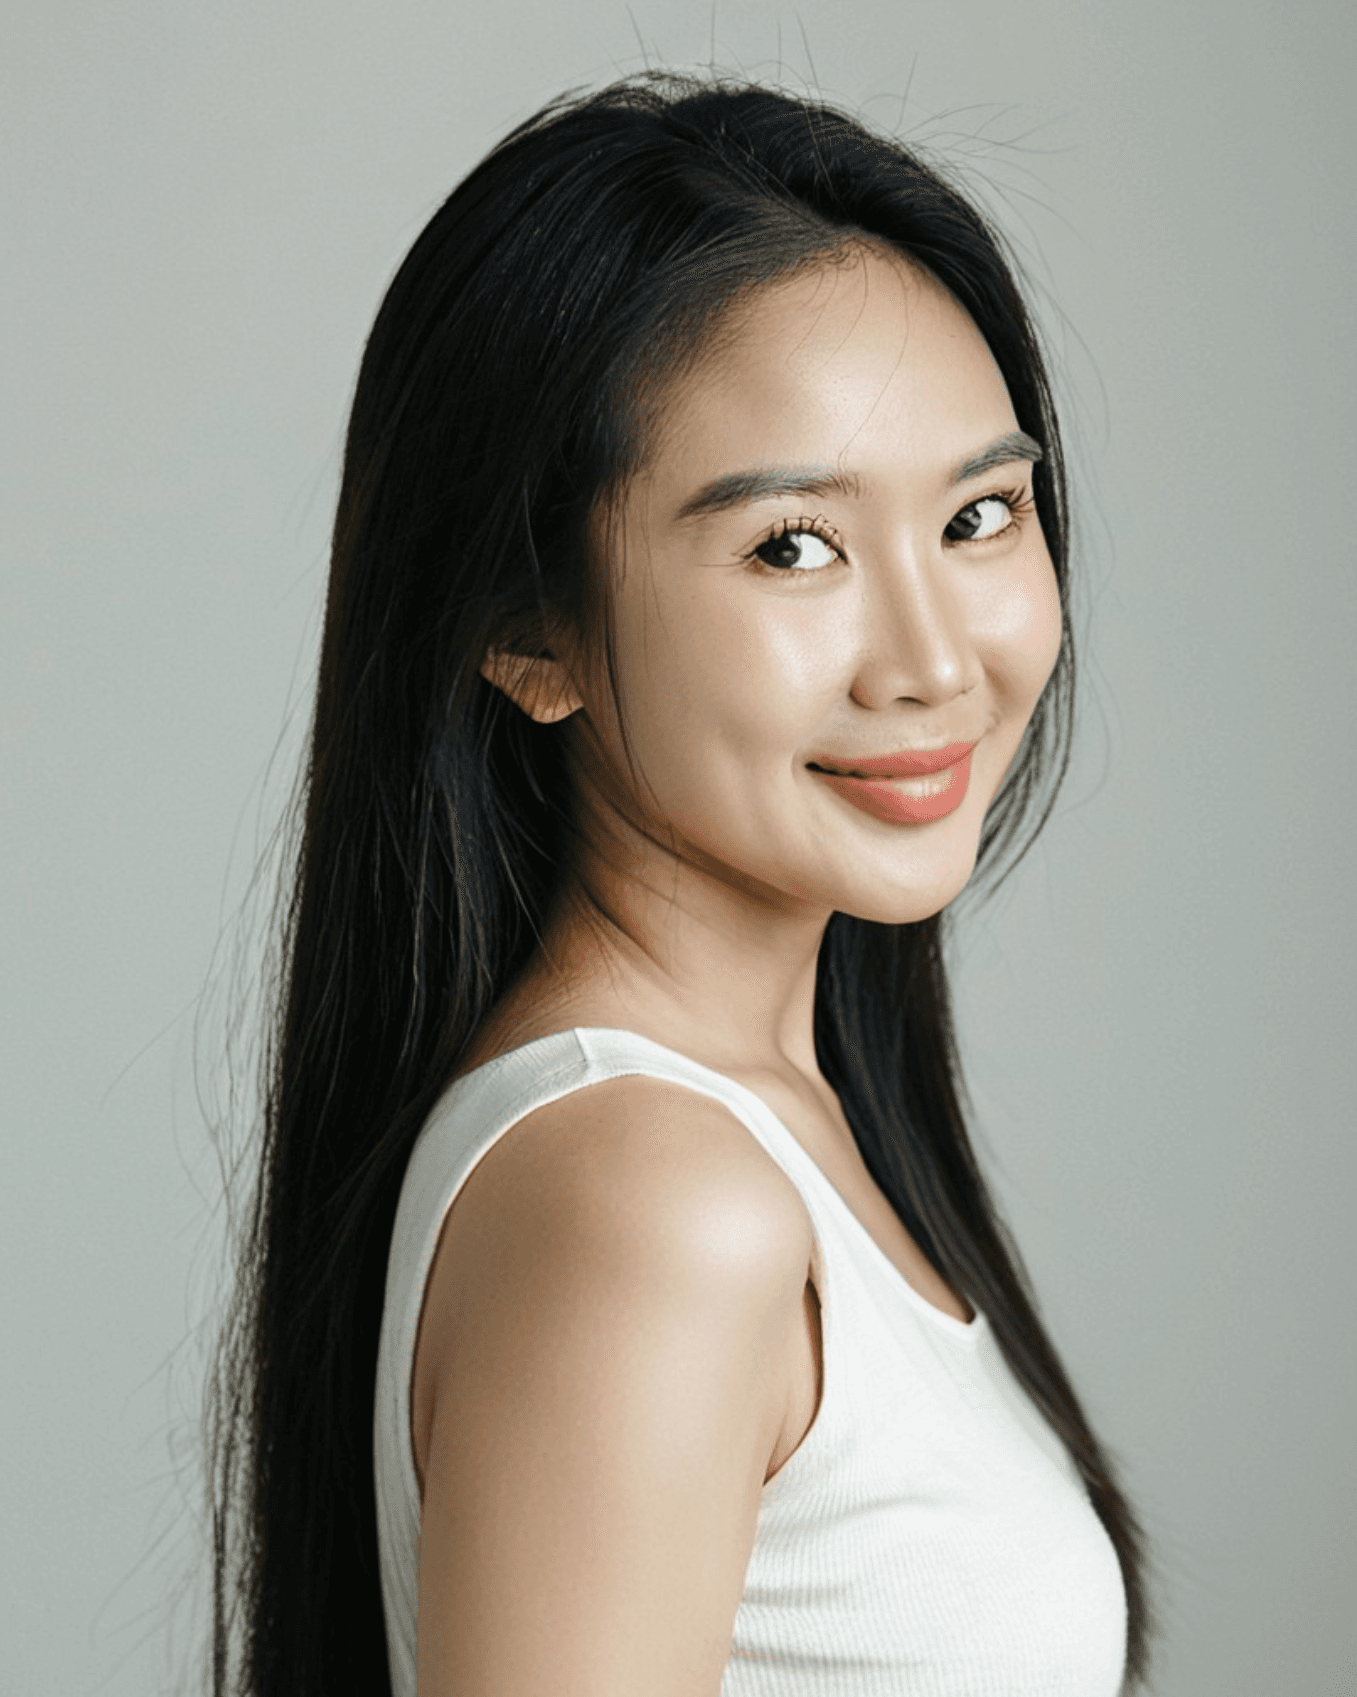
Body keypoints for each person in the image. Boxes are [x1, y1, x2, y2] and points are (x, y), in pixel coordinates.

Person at [207, 71, 1151, 1697]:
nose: (936, 662)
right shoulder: (655, 1204)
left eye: (981, 514)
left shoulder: (758, 1124)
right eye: (795, 545)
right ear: (527, 631)